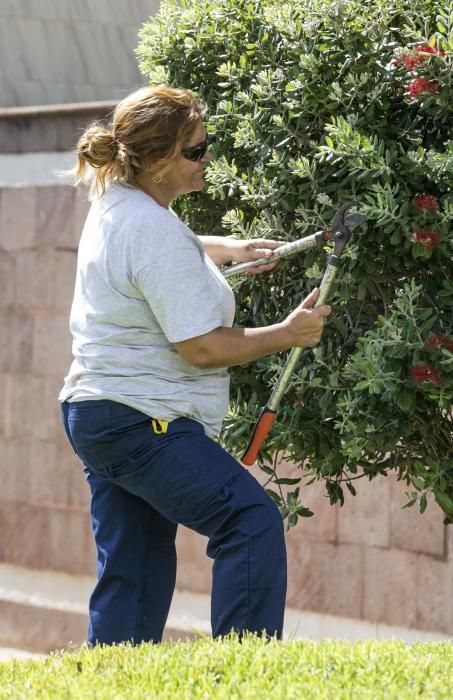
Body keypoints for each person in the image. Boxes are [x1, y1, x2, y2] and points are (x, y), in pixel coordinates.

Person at [59, 85, 331, 646]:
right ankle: (242, 676)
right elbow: (201, 347)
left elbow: (156, 252)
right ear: (156, 160)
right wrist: (288, 334)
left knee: (134, 570)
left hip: (100, 415)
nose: (206, 159)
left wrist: (225, 249)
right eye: (195, 151)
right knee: (249, 521)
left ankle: (111, 682)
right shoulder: (150, 229)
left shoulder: (118, 199)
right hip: (141, 420)